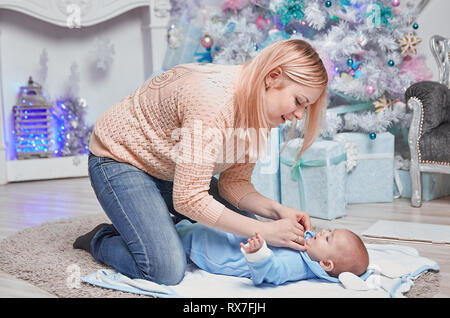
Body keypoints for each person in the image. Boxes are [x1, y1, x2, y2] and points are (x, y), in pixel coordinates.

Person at [73, 39, 329, 285]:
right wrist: (261, 229)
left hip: (170, 168)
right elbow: (189, 198)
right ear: (273, 76)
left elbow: (234, 183)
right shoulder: (213, 102)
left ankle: (153, 226)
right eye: (299, 102)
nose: (298, 115)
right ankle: (102, 238)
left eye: (305, 108)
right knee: (165, 268)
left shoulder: (263, 112)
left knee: (242, 228)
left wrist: (278, 212)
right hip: (121, 158)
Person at [176, 220, 369, 285]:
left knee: (192, 236)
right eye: (330, 231)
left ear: (326, 264)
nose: (324, 232)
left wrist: (258, 254)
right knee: (197, 228)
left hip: (218, 253)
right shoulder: (310, 251)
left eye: (328, 238)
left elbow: (271, 272)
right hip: (233, 236)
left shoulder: (297, 266)